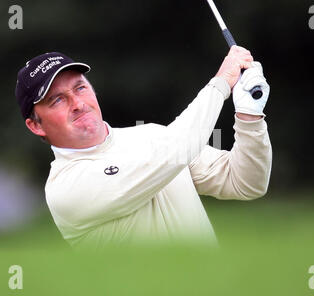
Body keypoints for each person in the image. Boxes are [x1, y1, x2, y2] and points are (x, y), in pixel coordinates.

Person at [15, 47, 272, 249]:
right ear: (35, 125)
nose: (77, 103)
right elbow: (176, 150)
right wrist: (221, 84)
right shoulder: (66, 188)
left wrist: (249, 116)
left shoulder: (151, 135)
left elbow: (245, 183)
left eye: (80, 88)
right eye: (57, 100)